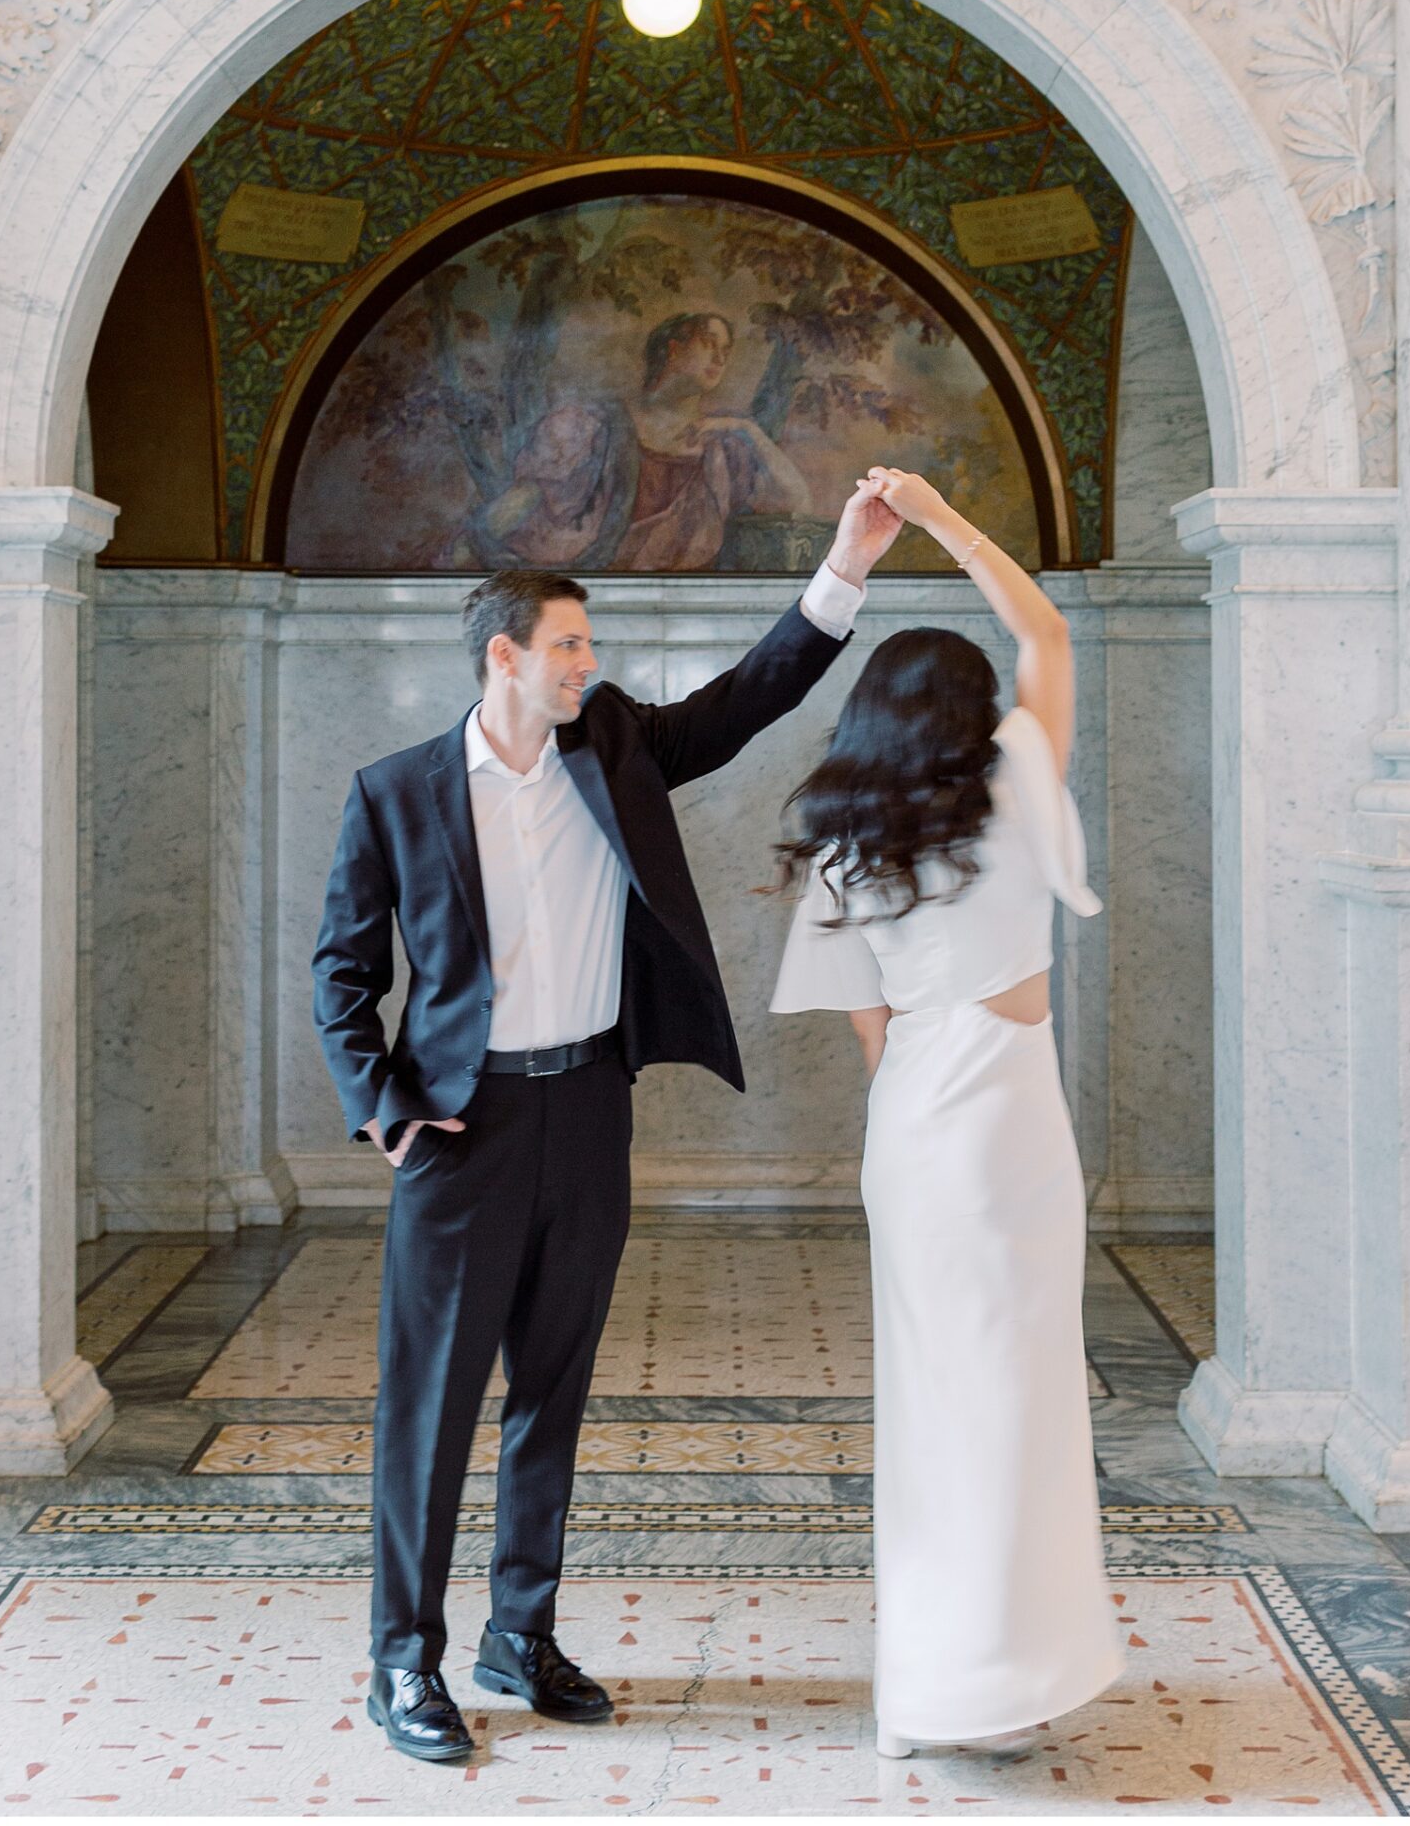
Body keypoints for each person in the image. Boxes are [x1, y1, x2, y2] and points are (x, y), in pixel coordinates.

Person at [311, 478, 901, 1764]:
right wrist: (387, 1111)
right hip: (458, 1139)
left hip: (587, 1105)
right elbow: (341, 974)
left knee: (555, 1392)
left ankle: (518, 1634)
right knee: (431, 1406)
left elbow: (747, 700)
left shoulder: (616, 743)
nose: (592, 661)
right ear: (503, 656)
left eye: (591, 645)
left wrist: (842, 563)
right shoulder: (397, 794)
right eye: (571, 644)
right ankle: (400, 1660)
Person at [770, 467, 1121, 1759]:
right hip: (1010, 1126)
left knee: (926, 1406)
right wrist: (935, 516)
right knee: (1017, 1402)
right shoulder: (1018, 779)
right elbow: (1048, 632)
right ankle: (1009, 1684)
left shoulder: (846, 836)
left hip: (912, 1128)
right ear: (974, 715)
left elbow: (873, 1033)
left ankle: (923, 1696)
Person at [614, 311, 811, 570]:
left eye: (725, 351)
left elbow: (797, 502)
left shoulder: (723, 444)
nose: (719, 359)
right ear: (673, 349)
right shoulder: (609, 427)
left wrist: (747, 429)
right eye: (708, 344)